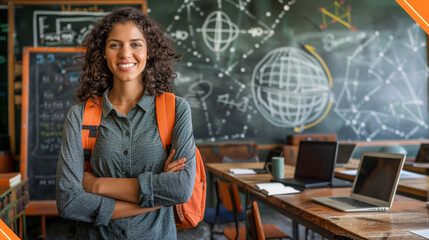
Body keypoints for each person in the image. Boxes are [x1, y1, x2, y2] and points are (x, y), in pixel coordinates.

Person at [56, 7, 196, 239]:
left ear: (149, 51)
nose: (125, 54)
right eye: (115, 45)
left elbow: (180, 189)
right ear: (103, 52)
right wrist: (157, 198)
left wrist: (96, 186)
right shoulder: (80, 116)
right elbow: (69, 202)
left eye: (136, 44)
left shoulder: (175, 109)